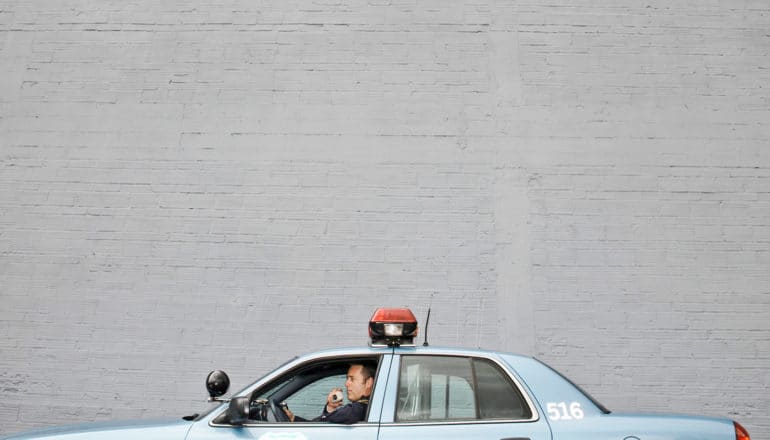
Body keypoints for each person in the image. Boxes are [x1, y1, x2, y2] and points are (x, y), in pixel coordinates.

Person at [283, 363, 375, 424]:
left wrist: (329, 412)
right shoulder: (369, 408)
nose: (346, 384)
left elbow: (322, 425)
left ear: (368, 383)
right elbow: (321, 425)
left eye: (352, 379)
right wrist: (294, 419)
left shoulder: (357, 410)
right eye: (347, 379)